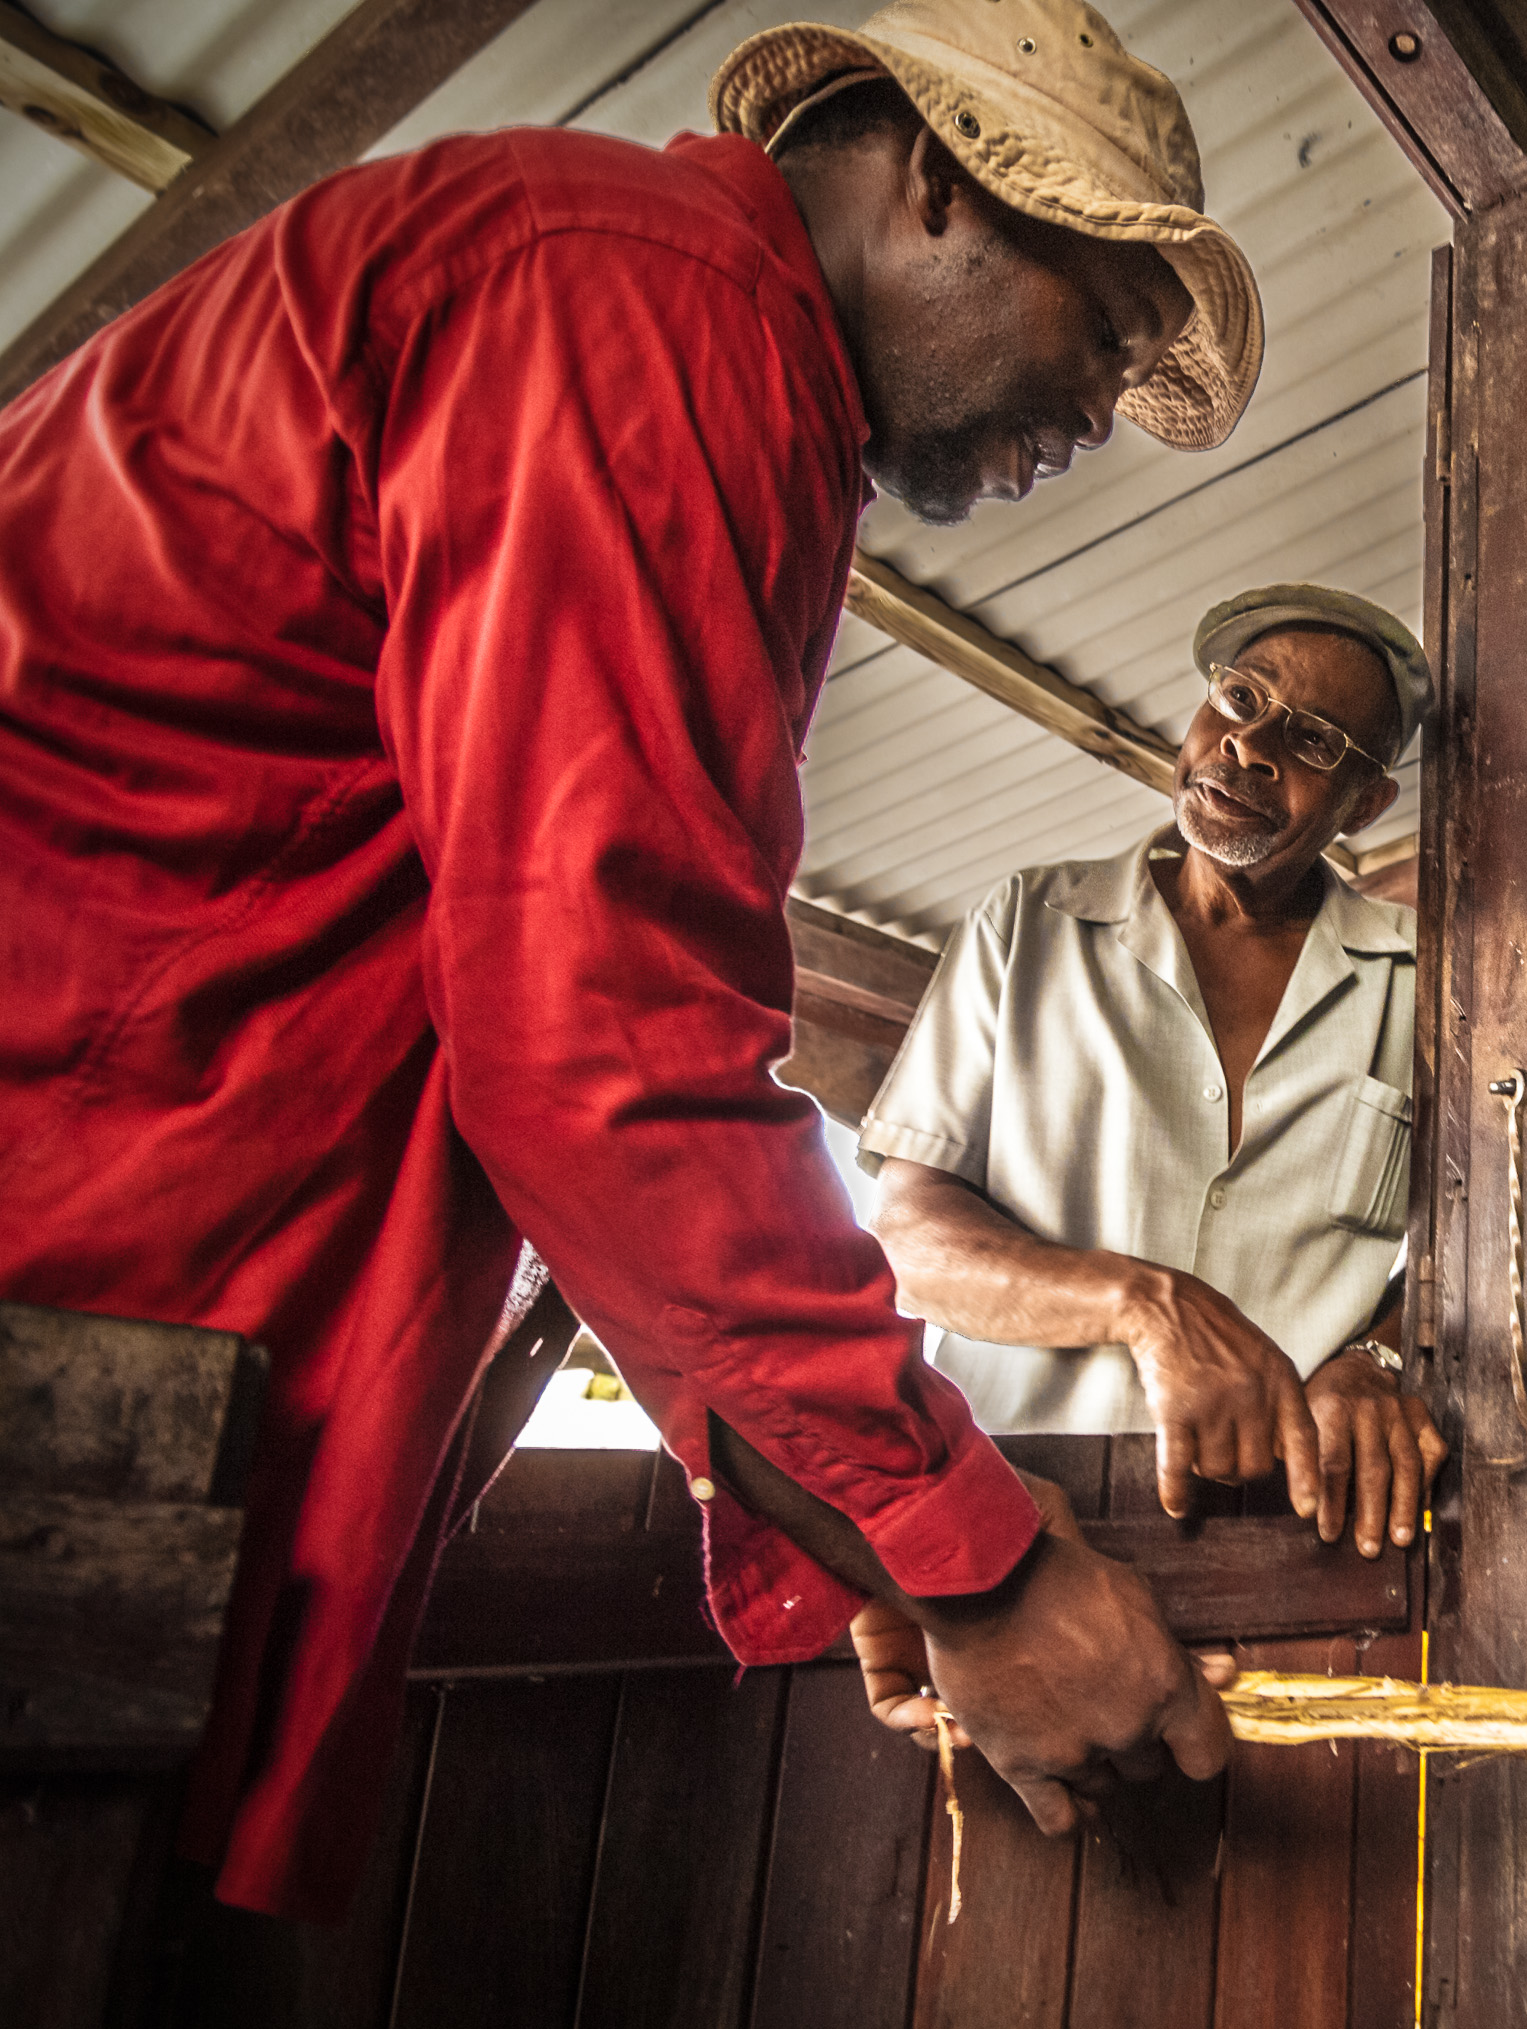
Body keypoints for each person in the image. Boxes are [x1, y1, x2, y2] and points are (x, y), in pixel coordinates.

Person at [0, 0, 1274, 1921]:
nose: (1098, 416)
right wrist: (974, 1562)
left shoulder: (687, 349)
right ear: (938, 181)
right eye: (1101, 330)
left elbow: (552, 1021)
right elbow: (606, 1049)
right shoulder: (647, 314)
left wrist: (855, 1526)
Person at [843, 587, 1442, 1744]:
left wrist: (1373, 1353)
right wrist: (1144, 1306)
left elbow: (1479, 1246)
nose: (1249, 748)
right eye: (1241, 700)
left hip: (1311, 1565)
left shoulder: (1428, 981)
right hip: (1023, 1544)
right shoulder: (1029, 926)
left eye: (1309, 741)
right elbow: (911, 1241)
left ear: (1367, 802)